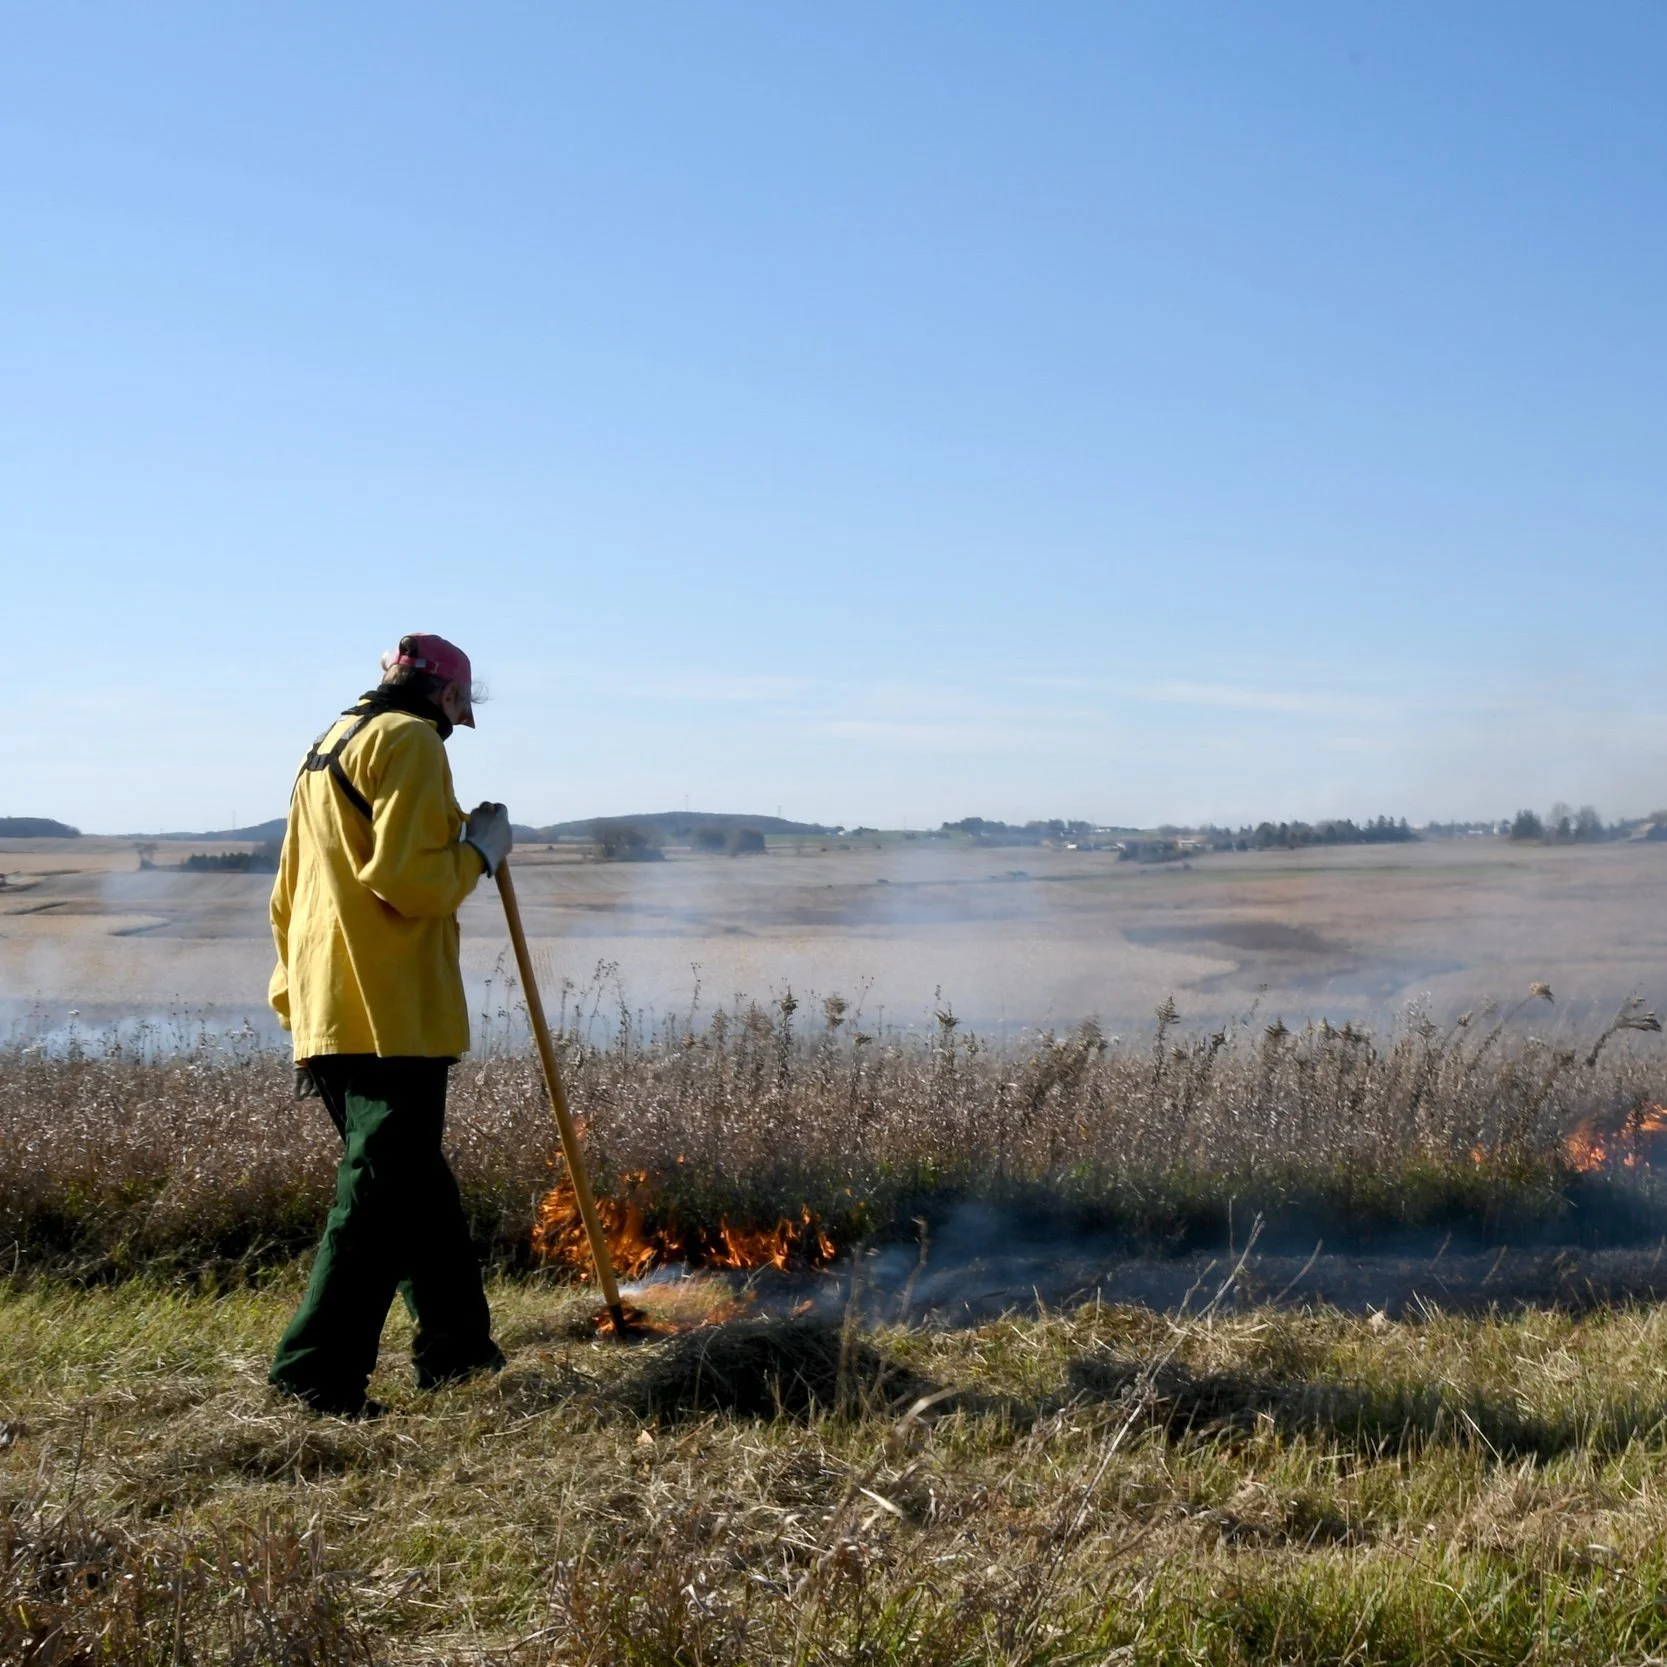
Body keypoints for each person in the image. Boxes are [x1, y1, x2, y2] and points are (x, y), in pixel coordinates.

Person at [266, 633, 514, 1418]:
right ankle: (313, 1376)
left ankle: (458, 1352)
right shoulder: (408, 741)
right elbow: (411, 883)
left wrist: (294, 996)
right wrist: (477, 852)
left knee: (416, 1190)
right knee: (377, 1197)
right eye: (460, 709)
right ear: (446, 698)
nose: (457, 722)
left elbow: (287, 892)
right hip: (389, 1012)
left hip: (328, 1002)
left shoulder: (329, 743)